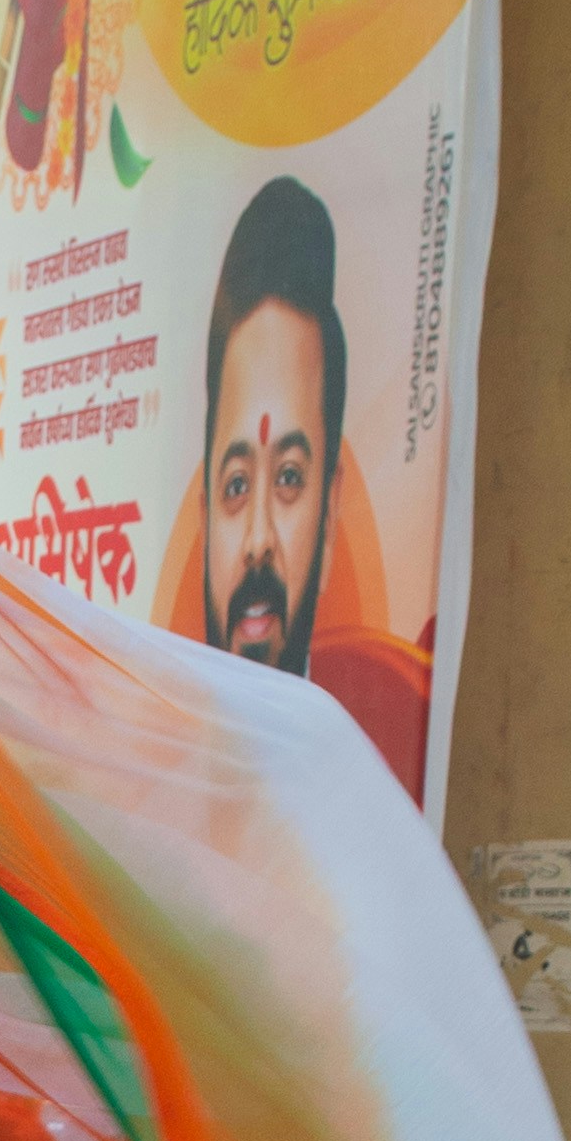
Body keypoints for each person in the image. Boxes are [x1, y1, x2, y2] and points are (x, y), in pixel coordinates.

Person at [190, 173, 430, 794]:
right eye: (237, 485)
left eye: (291, 478)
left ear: (331, 510)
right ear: (203, 511)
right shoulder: (145, 785)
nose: (259, 540)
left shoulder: (361, 796)